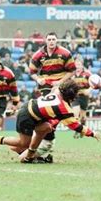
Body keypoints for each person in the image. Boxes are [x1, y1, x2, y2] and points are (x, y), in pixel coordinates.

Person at [0, 80, 101, 163]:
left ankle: (30, 154)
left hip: (30, 109)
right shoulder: (64, 108)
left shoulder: (57, 91)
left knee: (46, 127)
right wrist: (92, 133)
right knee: (23, 143)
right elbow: (76, 126)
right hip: (28, 117)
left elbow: (56, 88)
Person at [29, 32, 76, 160]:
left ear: (56, 40)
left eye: (53, 39)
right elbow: (31, 71)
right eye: (49, 39)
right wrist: (38, 79)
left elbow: (72, 71)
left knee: (56, 115)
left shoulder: (65, 53)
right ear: (45, 40)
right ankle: (43, 146)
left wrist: (60, 82)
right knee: (46, 116)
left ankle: (44, 144)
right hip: (45, 87)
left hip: (60, 88)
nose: (51, 41)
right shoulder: (38, 54)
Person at [71, 59, 91, 139]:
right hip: (75, 96)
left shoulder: (87, 74)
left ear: (82, 65)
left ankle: (83, 128)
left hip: (84, 96)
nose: (77, 66)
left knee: (83, 117)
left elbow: (94, 84)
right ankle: (77, 130)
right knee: (75, 113)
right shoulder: (71, 74)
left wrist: (88, 90)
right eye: (76, 65)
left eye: (79, 65)